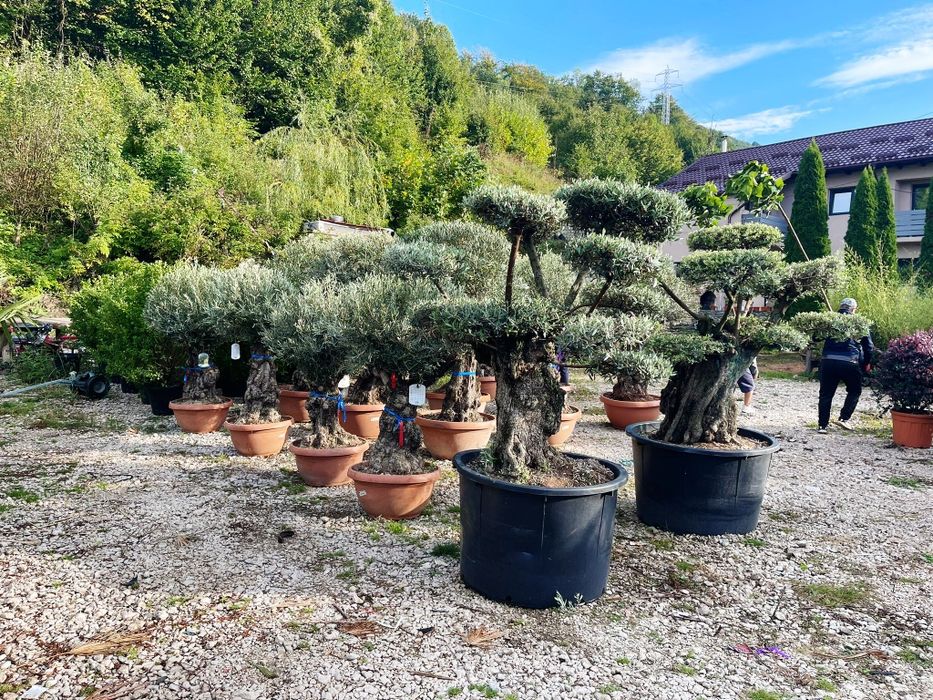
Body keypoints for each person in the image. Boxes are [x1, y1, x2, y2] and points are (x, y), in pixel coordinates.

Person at [817, 297, 874, 433]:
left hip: (828, 361)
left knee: (826, 394)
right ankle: (844, 418)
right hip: (850, 361)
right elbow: (869, 347)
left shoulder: (830, 320)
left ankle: (822, 426)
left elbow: (815, 337)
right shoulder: (860, 322)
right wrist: (866, 363)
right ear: (853, 309)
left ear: (841, 306)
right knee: (855, 390)